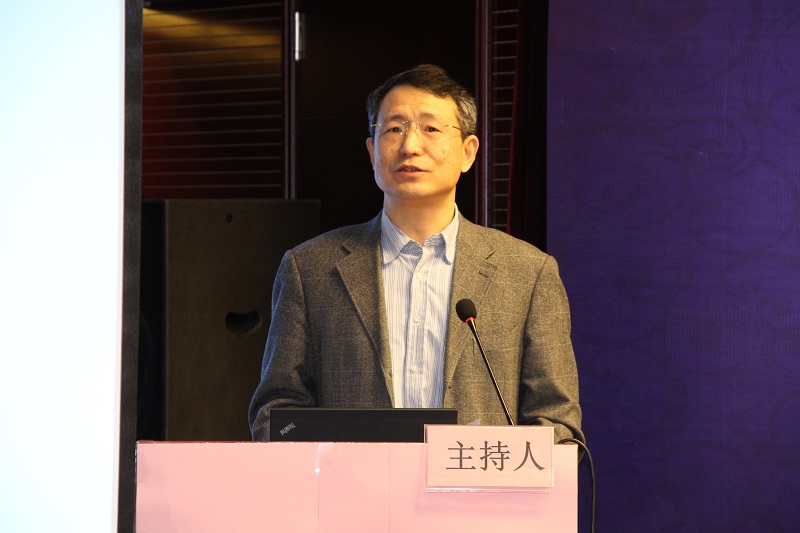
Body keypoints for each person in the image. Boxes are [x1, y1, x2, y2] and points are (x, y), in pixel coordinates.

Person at [249, 64, 583, 445]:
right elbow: (276, 415)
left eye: (431, 129)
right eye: (394, 129)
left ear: (468, 152)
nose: (410, 145)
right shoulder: (310, 270)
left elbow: (558, 425)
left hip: (477, 484)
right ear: (372, 151)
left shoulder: (528, 273)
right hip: (354, 484)